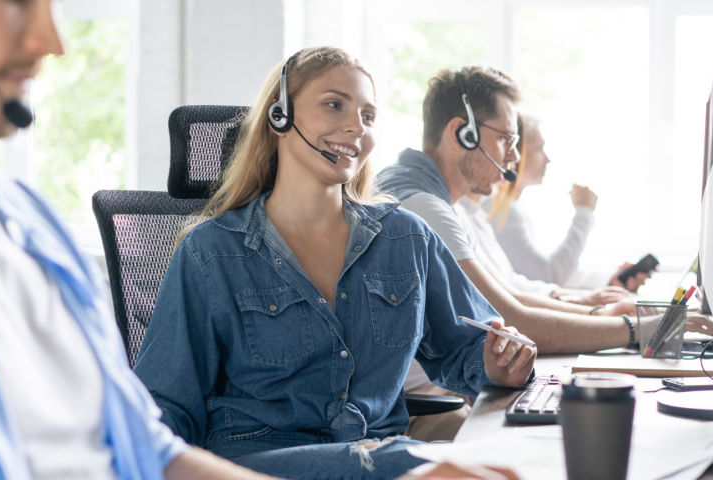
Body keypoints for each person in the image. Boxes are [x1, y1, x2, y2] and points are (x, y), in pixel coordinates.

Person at [0, 2, 514, 480]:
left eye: (368, 114)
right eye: (15, 2)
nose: (55, 42)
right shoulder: (210, 251)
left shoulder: (28, 228)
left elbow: (149, 447)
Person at [133, 47, 536, 480]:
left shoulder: (405, 238)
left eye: (368, 116)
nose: (356, 127)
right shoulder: (210, 252)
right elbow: (163, 406)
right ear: (279, 117)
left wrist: (500, 363)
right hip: (259, 464)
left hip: (378, 455)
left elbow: (467, 347)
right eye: (334, 105)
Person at [376, 67, 642, 356]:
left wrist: (598, 314)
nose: (514, 156)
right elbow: (511, 320)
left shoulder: (447, 204)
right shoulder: (422, 208)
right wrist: (633, 329)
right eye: (506, 139)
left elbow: (510, 294)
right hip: (430, 385)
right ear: (462, 134)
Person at [483, 114, 652, 292]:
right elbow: (549, 276)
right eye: (538, 149)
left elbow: (553, 274)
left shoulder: (514, 206)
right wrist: (583, 213)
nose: (547, 160)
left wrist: (610, 279)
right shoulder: (499, 209)